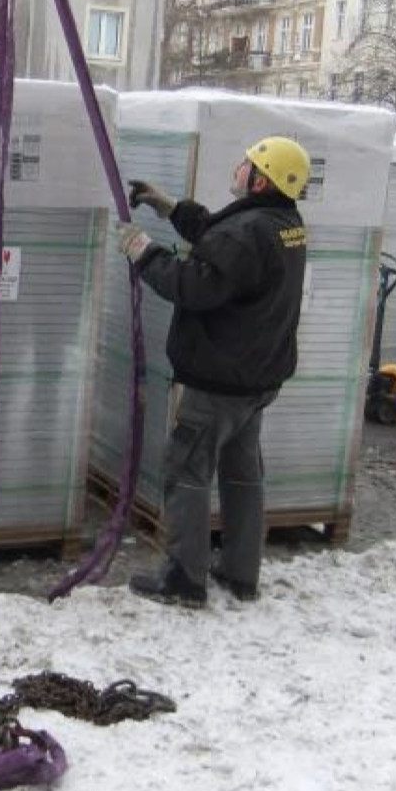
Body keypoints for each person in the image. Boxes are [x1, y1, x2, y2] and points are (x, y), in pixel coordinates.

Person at [115, 136, 309, 608]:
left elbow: (195, 285)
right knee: (242, 474)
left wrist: (144, 253)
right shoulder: (284, 223)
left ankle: (185, 579)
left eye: (248, 164)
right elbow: (223, 243)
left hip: (218, 380)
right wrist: (171, 208)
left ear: (261, 179)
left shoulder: (247, 233)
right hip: (256, 379)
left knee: (187, 471)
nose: (239, 168)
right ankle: (241, 573)